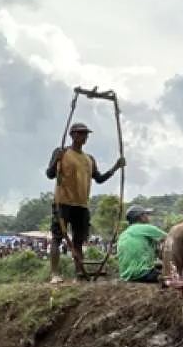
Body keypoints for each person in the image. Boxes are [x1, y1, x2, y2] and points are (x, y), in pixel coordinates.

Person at [45, 121, 125, 283]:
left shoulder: (89, 159)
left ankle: (79, 274)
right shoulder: (62, 152)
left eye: (86, 134)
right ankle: (54, 274)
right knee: (57, 237)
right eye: (81, 133)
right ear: (73, 135)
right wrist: (56, 161)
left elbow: (100, 179)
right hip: (63, 202)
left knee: (78, 241)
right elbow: (50, 174)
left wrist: (116, 168)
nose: (85, 137)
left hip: (81, 205)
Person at [116, 206, 167, 283]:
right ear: (141, 217)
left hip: (125, 274)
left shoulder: (124, 233)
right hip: (143, 273)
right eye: (146, 214)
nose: (148, 217)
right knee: (172, 277)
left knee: (160, 266)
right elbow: (171, 238)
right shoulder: (146, 228)